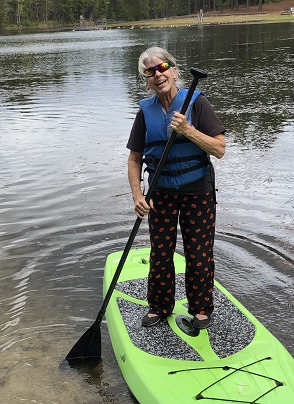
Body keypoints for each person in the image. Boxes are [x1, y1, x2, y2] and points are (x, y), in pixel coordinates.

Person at [126, 46, 226, 329]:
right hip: (160, 193)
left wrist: (189, 131)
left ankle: (201, 309)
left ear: (174, 70)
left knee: (198, 253)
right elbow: (134, 158)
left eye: (162, 67)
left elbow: (219, 149)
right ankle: (159, 306)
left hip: (198, 191)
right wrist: (137, 195)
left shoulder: (196, 103)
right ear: (146, 80)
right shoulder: (145, 112)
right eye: (150, 71)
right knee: (160, 252)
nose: (158, 75)